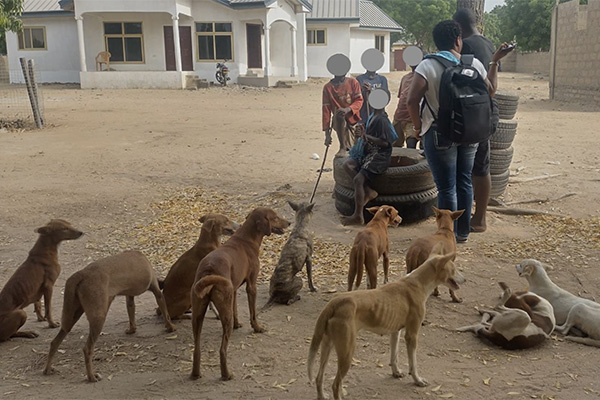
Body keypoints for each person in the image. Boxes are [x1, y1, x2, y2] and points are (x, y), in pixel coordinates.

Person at [406, 20, 512, 242]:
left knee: (446, 188)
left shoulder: (427, 65)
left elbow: (411, 100)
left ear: (437, 42)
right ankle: (462, 233)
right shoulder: (472, 63)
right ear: (458, 40)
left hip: (438, 133)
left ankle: (447, 236)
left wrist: (417, 128)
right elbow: (491, 91)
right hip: (469, 132)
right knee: (464, 181)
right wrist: (493, 62)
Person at [453, 8, 506, 233]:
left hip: (473, 110)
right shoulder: (487, 42)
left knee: (473, 167)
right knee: (481, 165)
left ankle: (477, 218)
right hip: (487, 109)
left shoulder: (468, 47)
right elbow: (492, 80)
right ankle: (478, 216)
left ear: (459, 28)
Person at [342, 89, 398, 226]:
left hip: (379, 156)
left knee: (358, 179)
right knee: (347, 165)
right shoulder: (374, 115)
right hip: (370, 152)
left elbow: (386, 143)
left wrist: (365, 136)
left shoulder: (382, 120)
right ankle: (368, 191)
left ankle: (358, 215)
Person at [322, 55, 364, 158]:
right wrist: (327, 133)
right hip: (338, 121)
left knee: (355, 147)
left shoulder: (353, 82)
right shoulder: (328, 88)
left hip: (353, 119)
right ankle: (342, 147)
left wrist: (348, 109)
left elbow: (359, 100)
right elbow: (326, 111)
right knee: (339, 114)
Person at [393, 64, 417, 148]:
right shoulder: (405, 78)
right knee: (395, 143)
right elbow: (401, 96)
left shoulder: (423, 77)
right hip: (399, 115)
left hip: (412, 116)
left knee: (411, 142)